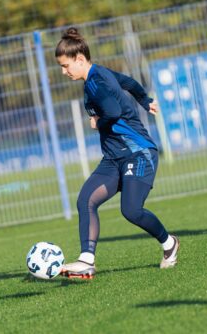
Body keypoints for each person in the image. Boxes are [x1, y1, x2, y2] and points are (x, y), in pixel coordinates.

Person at [55, 27, 179, 279]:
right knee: (86, 200)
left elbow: (112, 113)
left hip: (138, 153)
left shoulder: (96, 84)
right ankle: (86, 260)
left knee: (131, 211)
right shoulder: (99, 73)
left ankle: (169, 244)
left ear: (80, 59)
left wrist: (98, 122)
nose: (63, 71)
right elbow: (130, 83)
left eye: (66, 66)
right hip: (114, 158)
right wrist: (145, 100)